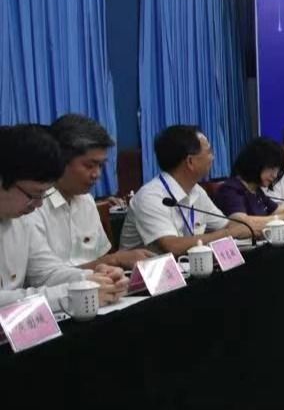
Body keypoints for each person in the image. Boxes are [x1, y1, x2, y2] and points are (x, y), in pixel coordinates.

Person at [0, 124, 126, 311]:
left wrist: (91, 278)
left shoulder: (20, 218)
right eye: (34, 194)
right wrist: (73, 295)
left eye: (44, 195)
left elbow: (45, 272)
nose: (39, 204)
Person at [28, 114, 151, 269]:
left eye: (101, 166)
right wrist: (113, 260)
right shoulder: (32, 205)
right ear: (60, 161)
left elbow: (100, 259)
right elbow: (42, 277)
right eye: (89, 165)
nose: (97, 174)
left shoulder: (86, 200)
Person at [118, 125, 260, 254]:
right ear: (190, 162)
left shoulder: (196, 190)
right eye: (209, 152)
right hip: (142, 273)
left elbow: (227, 225)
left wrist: (260, 226)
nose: (213, 158)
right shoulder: (150, 197)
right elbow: (173, 246)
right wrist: (229, 234)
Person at [213, 137, 284, 226]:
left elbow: (278, 210)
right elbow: (241, 222)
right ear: (256, 162)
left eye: (277, 171)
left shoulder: (256, 190)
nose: (275, 175)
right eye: (272, 168)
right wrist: (279, 218)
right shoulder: (230, 189)